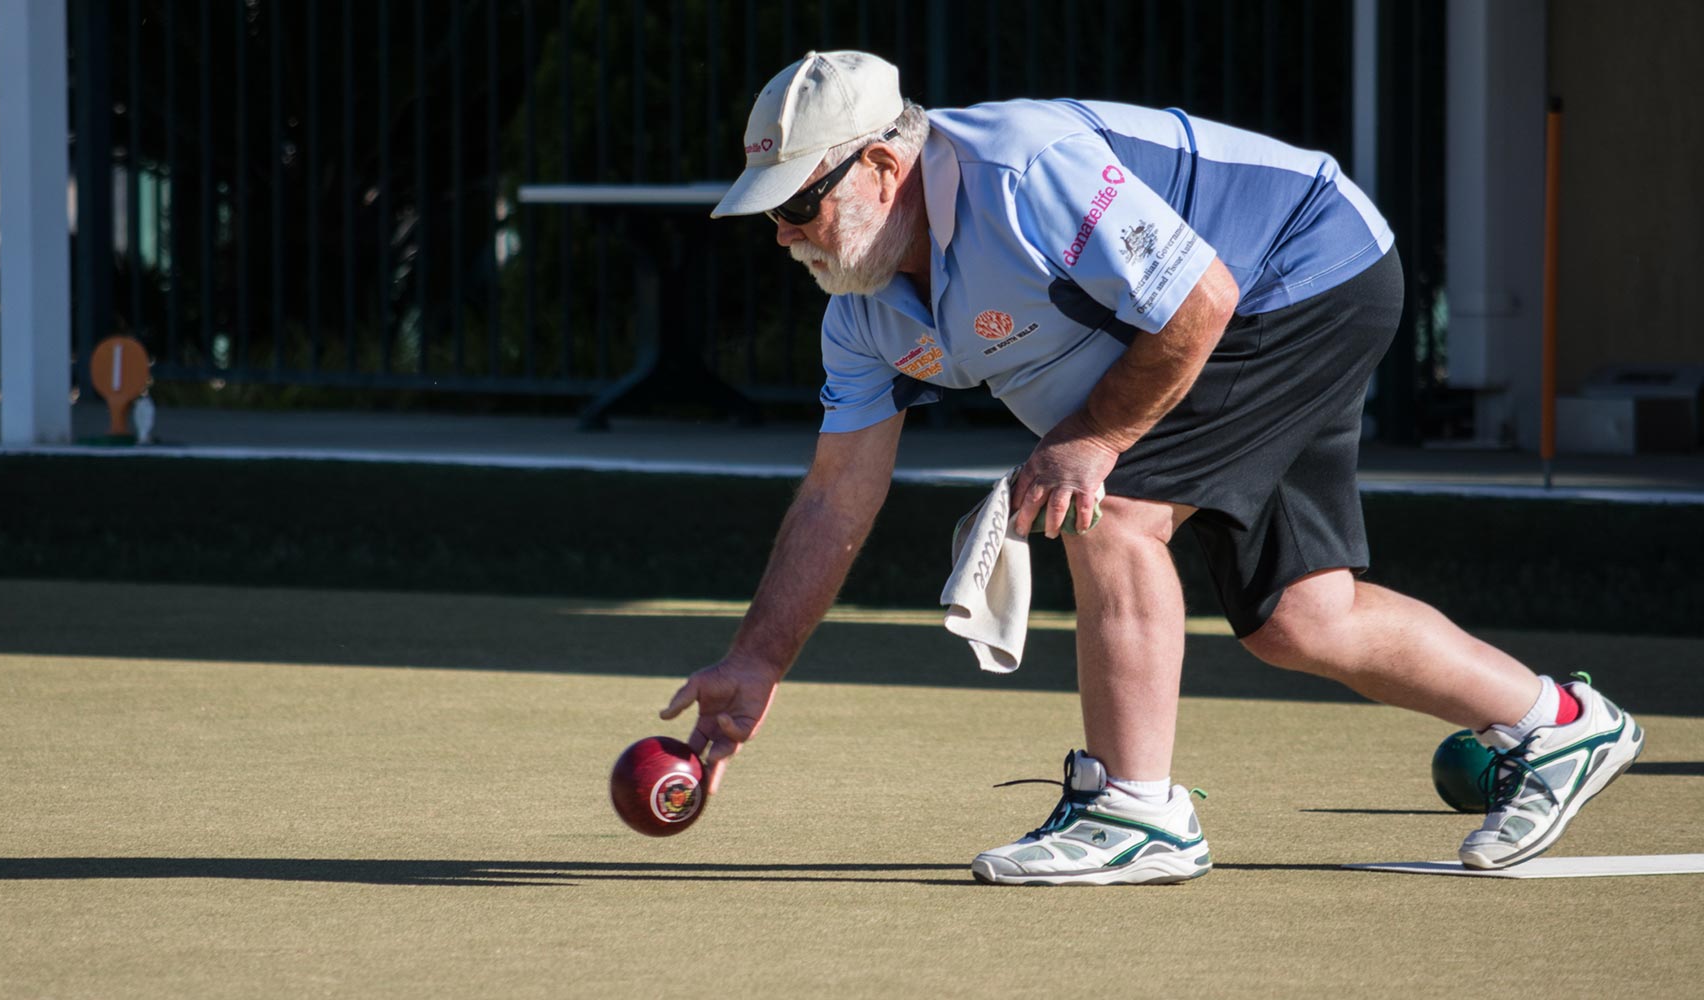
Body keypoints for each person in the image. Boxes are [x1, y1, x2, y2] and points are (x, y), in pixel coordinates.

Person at [657, 50, 1643, 884]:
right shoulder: (859, 312)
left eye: (796, 203)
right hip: (1239, 310)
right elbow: (836, 495)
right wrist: (756, 659)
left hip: (1301, 268)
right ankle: (1554, 724)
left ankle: (1136, 812)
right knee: (1299, 620)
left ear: (880, 163)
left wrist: (1091, 440)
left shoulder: (1020, 172)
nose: (783, 237)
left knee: (1108, 505)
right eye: (768, 215)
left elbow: (1199, 300)